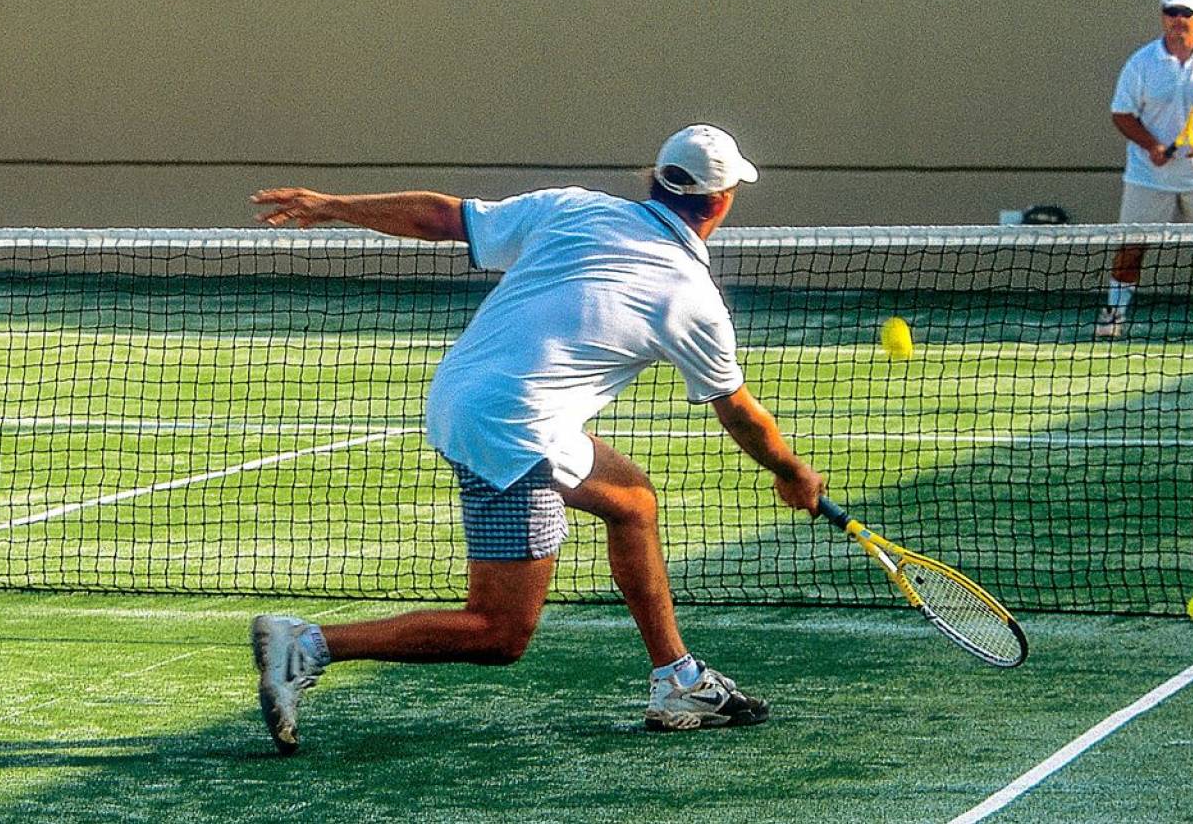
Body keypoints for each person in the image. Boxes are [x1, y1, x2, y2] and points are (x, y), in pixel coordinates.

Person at [246, 124, 826, 754]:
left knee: (632, 501)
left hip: (466, 394)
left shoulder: (573, 208)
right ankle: (306, 645)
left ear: (655, 178)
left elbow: (443, 217)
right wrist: (791, 471)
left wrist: (332, 205)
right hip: (512, 429)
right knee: (499, 633)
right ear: (720, 201)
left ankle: (678, 681)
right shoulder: (691, 298)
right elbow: (738, 411)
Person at [1095, 0, 1193, 339]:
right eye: (1171, 12)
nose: (1178, 19)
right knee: (1132, 244)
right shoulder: (1141, 63)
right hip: (1148, 175)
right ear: (1163, 16)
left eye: (1186, 13)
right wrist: (1151, 146)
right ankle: (1114, 311)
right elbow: (1122, 113)